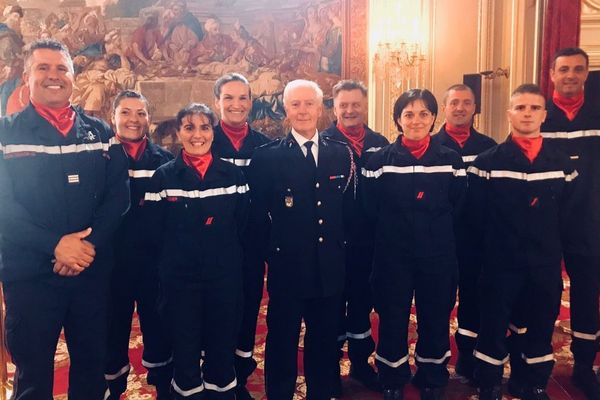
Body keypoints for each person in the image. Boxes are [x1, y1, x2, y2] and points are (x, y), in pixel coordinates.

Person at [0, 38, 129, 400]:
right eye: (43, 68)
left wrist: (86, 246)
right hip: (30, 277)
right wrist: (55, 246)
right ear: (26, 76)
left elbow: (118, 198)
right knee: (33, 375)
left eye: (62, 69)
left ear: (74, 76)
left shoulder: (102, 134)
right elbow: (4, 206)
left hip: (90, 273)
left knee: (91, 367)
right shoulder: (5, 133)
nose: (53, 76)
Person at [249, 79, 354, 399]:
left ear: (321, 108)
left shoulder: (341, 153)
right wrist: (273, 252)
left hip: (329, 264)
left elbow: (350, 211)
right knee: (282, 336)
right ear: (285, 109)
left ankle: (322, 391)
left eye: (309, 103)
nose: (303, 110)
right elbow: (257, 215)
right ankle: (279, 393)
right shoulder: (267, 158)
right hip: (288, 264)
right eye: (295, 104)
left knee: (324, 337)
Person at [471, 84, 577, 400]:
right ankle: (489, 382)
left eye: (533, 108)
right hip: (499, 264)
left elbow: (568, 216)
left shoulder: (562, 163)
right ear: (509, 114)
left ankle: (531, 382)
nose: (527, 113)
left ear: (544, 114)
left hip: (544, 263)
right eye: (520, 108)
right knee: (492, 325)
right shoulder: (487, 162)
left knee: (540, 326)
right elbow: (475, 219)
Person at [362, 89, 466, 400]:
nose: (416, 120)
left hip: (437, 256)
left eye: (423, 113)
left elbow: (458, 206)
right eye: (408, 114)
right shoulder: (378, 160)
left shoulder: (450, 159)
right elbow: (369, 209)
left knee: (435, 317)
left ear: (434, 117)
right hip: (393, 256)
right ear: (397, 119)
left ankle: (432, 375)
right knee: (392, 317)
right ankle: (392, 376)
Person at [143, 103, 248, 399]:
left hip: (223, 279)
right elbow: (153, 233)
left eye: (204, 127)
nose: (197, 135)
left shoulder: (232, 176)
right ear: (179, 133)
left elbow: (243, 225)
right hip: (180, 282)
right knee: (185, 347)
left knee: (221, 346)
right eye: (189, 127)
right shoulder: (163, 178)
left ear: (213, 133)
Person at [104, 90, 173, 400]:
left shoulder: (164, 162)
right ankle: (114, 387)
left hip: (153, 265)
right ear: (113, 117)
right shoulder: (100, 159)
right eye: (126, 113)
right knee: (111, 331)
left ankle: (163, 386)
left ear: (149, 118)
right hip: (110, 265)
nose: (134, 120)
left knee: (159, 328)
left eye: (140, 113)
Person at [540, 47, 600, 400]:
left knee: (585, 295)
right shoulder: (539, 115)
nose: (570, 75)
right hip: (547, 222)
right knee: (543, 294)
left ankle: (583, 365)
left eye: (578, 69)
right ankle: (536, 361)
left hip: (589, 222)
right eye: (564, 69)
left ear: (587, 74)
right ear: (552, 75)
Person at [321, 79, 388, 395]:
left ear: (365, 105)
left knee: (362, 307)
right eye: (343, 105)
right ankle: (330, 368)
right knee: (332, 307)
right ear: (334, 108)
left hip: (370, 245)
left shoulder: (381, 142)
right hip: (332, 245)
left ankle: (362, 364)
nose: (350, 110)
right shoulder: (322, 144)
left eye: (355, 104)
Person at [211, 72, 270, 400]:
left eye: (242, 98)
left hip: (251, 245)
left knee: (247, 310)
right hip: (212, 246)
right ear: (217, 102)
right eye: (228, 98)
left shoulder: (263, 146)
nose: (236, 104)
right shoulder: (204, 140)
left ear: (250, 101)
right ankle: (215, 375)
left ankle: (239, 376)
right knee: (216, 310)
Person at [431, 84, 496, 381]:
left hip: (477, 239)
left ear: (474, 108)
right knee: (438, 299)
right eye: (454, 102)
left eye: (466, 103)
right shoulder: (430, 146)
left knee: (473, 297)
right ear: (444, 107)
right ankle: (436, 355)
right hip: (439, 238)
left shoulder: (489, 148)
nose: (460, 108)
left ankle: (468, 354)